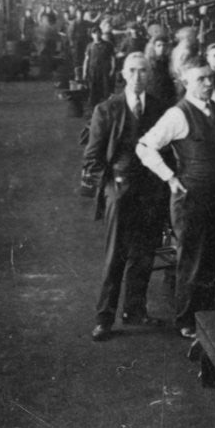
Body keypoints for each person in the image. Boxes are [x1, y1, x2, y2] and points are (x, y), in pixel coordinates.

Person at [136, 61, 215, 338]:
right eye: (201, 79)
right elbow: (144, 146)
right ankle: (186, 320)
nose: (207, 83)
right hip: (191, 200)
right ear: (186, 82)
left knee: (213, 257)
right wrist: (169, 177)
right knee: (192, 260)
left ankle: (208, 316)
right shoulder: (177, 114)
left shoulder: (213, 108)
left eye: (210, 78)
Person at [83, 53, 169, 341]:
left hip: (151, 190)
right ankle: (104, 317)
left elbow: (167, 150)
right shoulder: (106, 110)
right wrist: (109, 190)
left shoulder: (158, 108)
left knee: (144, 253)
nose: (137, 76)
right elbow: (93, 160)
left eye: (143, 71)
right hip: (119, 189)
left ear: (149, 75)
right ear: (122, 73)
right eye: (132, 71)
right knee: (115, 255)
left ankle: (135, 309)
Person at [82, 25, 116, 113]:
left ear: (101, 34)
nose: (96, 35)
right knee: (93, 91)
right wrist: (84, 72)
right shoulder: (89, 46)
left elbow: (112, 58)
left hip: (105, 72)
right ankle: (94, 111)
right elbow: (86, 60)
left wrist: (112, 69)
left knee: (106, 91)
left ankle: (107, 110)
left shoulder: (108, 45)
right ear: (92, 35)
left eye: (98, 33)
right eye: (94, 33)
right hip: (93, 71)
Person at [144, 35, 177, 107]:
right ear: (154, 47)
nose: (162, 48)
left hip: (168, 95)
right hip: (153, 95)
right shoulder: (149, 63)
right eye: (159, 45)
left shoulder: (170, 61)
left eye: (164, 45)